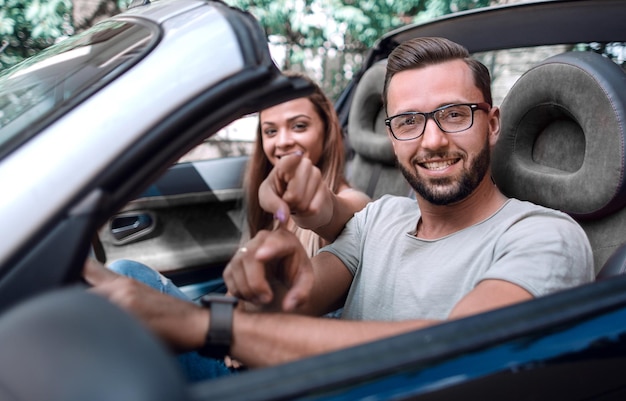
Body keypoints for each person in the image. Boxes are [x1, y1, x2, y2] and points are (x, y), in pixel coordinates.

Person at [85, 37, 594, 374]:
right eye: (409, 122)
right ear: (392, 137)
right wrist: (268, 287)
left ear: (494, 122)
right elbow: (299, 299)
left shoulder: (543, 235)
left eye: (454, 114)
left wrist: (209, 325)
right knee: (124, 275)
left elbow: (459, 349)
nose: (432, 141)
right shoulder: (380, 218)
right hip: (299, 379)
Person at [98, 71, 371, 380]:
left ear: (327, 131)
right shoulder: (268, 206)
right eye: (270, 131)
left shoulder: (356, 206)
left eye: (299, 126)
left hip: (270, 367)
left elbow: (328, 210)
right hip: (237, 341)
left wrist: (234, 333)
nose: (282, 141)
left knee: (126, 276)